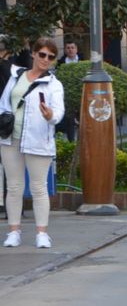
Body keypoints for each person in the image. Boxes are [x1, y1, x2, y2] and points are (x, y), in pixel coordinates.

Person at [1, 37, 65, 248]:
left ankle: (42, 233)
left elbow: (58, 112)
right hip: (11, 138)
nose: (46, 59)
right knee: (14, 186)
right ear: (34, 54)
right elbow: (4, 102)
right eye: (42, 54)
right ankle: (13, 231)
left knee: (39, 187)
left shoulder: (53, 84)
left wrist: (49, 116)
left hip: (38, 139)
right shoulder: (16, 76)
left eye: (51, 56)